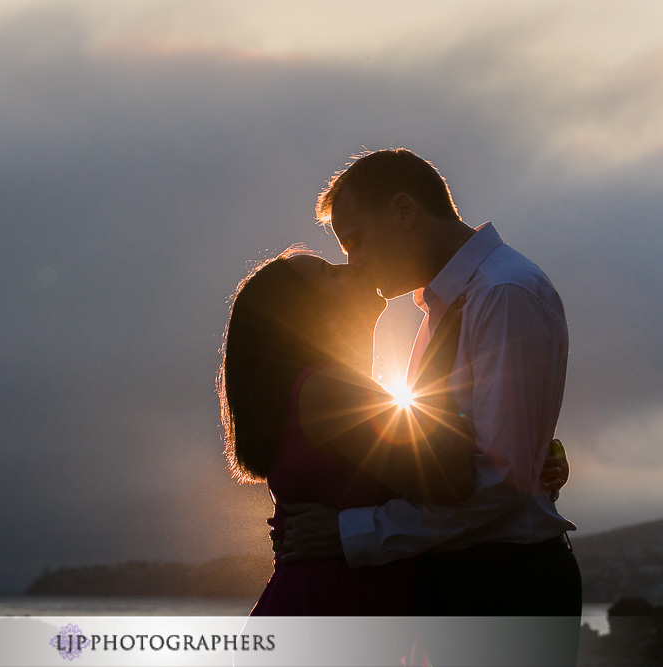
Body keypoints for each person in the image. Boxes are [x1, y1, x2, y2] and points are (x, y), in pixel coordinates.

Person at [279, 149, 581, 651]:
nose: (353, 263)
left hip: (504, 589)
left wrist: (349, 534)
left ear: (403, 211)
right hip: (466, 584)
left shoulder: (504, 293)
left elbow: (497, 480)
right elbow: (452, 453)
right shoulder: (448, 306)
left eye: (355, 241)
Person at [218, 246, 478, 615]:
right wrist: (438, 367)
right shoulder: (328, 391)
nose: (352, 267)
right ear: (309, 313)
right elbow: (453, 478)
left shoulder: (316, 390)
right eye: (330, 272)